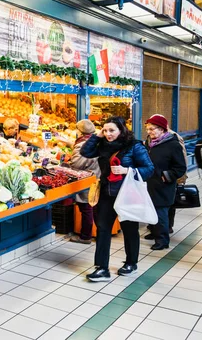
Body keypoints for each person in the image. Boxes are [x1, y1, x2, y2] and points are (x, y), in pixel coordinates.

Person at [80, 116, 154, 282]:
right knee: (103, 229)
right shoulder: (102, 145)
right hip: (107, 192)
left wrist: (127, 170)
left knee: (129, 230)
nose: (108, 133)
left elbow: (149, 169)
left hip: (127, 194)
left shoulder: (134, 146)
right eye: (105, 130)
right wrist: (96, 136)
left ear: (122, 130)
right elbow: (85, 152)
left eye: (112, 130)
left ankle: (131, 263)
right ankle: (101, 268)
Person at [144, 115, 187, 250]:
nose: (149, 132)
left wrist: (166, 176)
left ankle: (162, 241)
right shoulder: (149, 143)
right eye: (148, 129)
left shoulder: (173, 144)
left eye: (152, 129)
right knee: (152, 210)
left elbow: (180, 167)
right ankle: (154, 232)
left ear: (162, 129)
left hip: (163, 185)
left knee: (161, 212)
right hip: (149, 183)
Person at [69, 119, 101, 244]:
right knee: (95, 208)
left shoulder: (83, 144)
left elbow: (77, 163)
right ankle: (101, 234)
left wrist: (68, 162)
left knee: (86, 208)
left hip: (87, 179)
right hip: (97, 177)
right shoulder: (97, 141)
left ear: (80, 131)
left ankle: (85, 236)